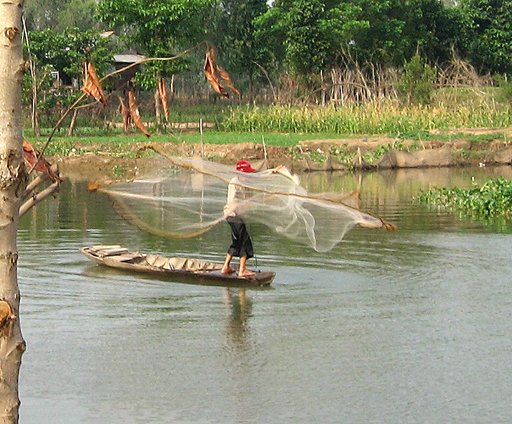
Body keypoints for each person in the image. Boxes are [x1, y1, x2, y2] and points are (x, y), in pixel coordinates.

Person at [221, 160, 256, 277]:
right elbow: (232, 202)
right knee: (245, 241)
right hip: (233, 216)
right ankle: (242, 270)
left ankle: (226, 267)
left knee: (236, 241)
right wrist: (242, 206)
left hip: (238, 217)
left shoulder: (245, 184)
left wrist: (273, 171)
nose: (248, 176)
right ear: (241, 174)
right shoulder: (234, 183)